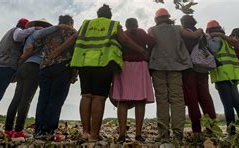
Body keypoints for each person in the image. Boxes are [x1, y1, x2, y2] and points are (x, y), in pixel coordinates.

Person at [69, 4, 146, 142]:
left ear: (98, 15)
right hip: (103, 63)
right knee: (98, 97)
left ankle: (85, 133)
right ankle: (94, 135)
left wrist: (58, 56)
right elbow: (125, 40)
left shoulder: (86, 24)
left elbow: (74, 39)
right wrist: (142, 50)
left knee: (86, 96)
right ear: (109, 16)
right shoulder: (113, 24)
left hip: (84, 62)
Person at [0, 18, 38, 138]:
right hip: (5, 67)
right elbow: (18, 36)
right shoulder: (17, 31)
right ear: (25, 27)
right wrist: (34, 29)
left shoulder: (5, 37)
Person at [147, 8, 203, 143]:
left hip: (157, 67)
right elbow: (195, 36)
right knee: (178, 100)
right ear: (168, 17)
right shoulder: (177, 28)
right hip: (176, 67)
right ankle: (178, 135)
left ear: (156, 19)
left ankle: (164, 134)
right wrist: (200, 30)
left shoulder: (151, 30)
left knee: (162, 101)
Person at [3, 19, 53, 138]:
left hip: (23, 67)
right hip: (34, 67)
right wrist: (61, 27)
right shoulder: (38, 33)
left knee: (17, 98)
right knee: (26, 99)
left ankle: (8, 129)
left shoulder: (29, 36)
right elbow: (51, 30)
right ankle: (19, 130)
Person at [110, 18, 155, 143]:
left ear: (126, 25)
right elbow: (152, 42)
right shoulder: (141, 32)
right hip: (140, 65)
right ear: (137, 24)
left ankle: (122, 134)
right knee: (140, 101)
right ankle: (138, 134)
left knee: (122, 101)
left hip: (124, 66)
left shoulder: (122, 34)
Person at [33, 15, 78, 139]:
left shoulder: (49, 32)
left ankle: (38, 130)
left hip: (44, 67)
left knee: (43, 98)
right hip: (62, 67)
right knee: (56, 99)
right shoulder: (71, 31)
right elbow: (75, 51)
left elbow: (36, 43)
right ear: (71, 22)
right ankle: (48, 130)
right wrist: (75, 72)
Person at [205, 20, 239, 137]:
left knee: (228, 105)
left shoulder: (216, 40)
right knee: (237, 103)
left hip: (222, 75)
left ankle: (231, 132)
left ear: (209, 31)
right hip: (232, 75)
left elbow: (213, 49)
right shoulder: (228, 41)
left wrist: (207, 38)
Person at [180, 15, 217, 136]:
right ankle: (211, 127)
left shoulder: (184, 34)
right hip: (202, 69)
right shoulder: (201, 34)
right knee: (205, 97)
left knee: (192, 100)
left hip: (189, 70)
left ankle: (196, 130)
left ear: (184, 24)